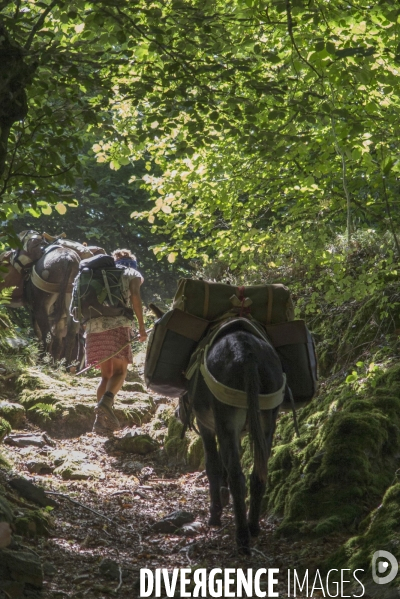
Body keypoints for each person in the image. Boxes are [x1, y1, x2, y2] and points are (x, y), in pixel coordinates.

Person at [85, 249, 147, 434]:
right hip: (118, 326)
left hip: (93, 327)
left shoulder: (96, 274)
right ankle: (106, 401)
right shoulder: (132, 273)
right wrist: (142, 328)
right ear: (132, 261)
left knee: (106, 376)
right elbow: (135, 296)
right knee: (120, 372)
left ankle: (99, 421)